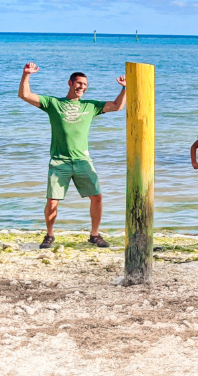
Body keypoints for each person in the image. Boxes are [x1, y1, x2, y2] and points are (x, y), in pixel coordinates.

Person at [18, 64, 126, 249]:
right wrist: (26, 75)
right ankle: (49, 235)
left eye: (85, 85)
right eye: (79, 83)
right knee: (52, 201)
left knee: (97, 197)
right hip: (59, 161)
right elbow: (25, 95)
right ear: (70, 83)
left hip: (83, 160)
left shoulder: (90, 106)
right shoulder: (54, 104)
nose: (82, 87)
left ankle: (94, 235)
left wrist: (124, 88)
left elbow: (117, 106)